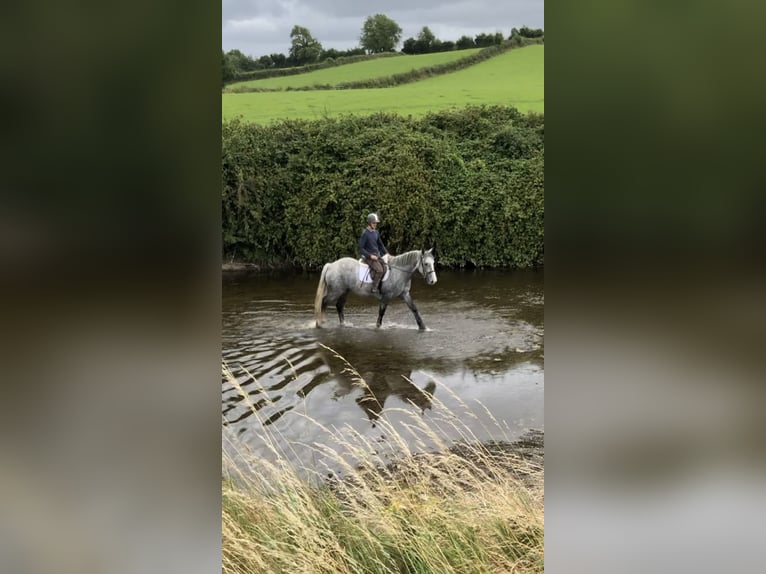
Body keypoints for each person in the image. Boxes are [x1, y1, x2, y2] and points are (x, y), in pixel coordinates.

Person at [358, 212, 389, 294]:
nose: (375, 224)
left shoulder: (376, 232)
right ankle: (374, 288)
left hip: (377, 256)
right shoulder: (365, 234)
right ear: (369, 223)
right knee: (379, 270)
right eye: (374, 223)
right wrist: (370, 256)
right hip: (368, 257)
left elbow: (380, 245)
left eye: (376, 223)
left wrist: (387, 254)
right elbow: (361, 248)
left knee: (386, 267)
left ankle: (380, 286)